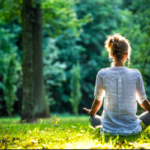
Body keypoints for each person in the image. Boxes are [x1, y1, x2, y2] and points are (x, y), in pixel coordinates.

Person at [83, 33, 150, 136]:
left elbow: (98, 102)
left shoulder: (102, 74)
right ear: (127, 55)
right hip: (133, 130)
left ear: (111, 54)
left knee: (92, 118)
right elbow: (143, 103)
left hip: (108, 131)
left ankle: (106, 127)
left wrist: (91, 113)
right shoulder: (135, 74)